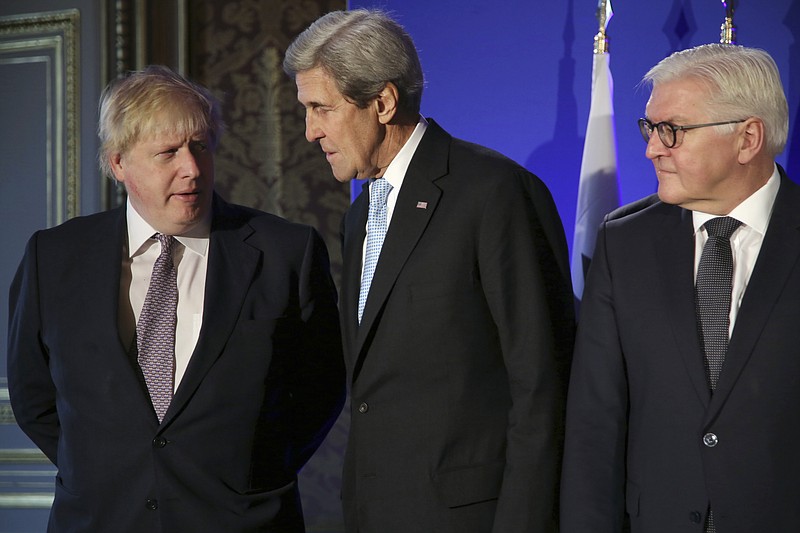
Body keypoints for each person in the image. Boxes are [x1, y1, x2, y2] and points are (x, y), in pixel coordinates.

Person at [7, 65, 345, 532]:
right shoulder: (54, 256)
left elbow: (319, 393)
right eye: (168, 153)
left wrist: (245, 475)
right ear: (118, 163)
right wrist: (106, 468)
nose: (191, 169)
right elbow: (33, 397)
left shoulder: (285, 251)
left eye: (200, 147)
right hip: (100, 520)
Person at [283, 9, 575, 533]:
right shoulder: (360, 214)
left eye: (320, 109)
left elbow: (542, 382)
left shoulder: (494, 193)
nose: (310, 132)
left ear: (383, 102)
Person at [560, 43, 797, 533]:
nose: (651, 148)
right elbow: (595, 424)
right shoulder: (623, 241)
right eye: (650, 128)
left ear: (747, 138)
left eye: (673, 131)